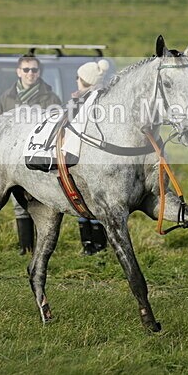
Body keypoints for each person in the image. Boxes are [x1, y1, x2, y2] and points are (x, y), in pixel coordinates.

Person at [0, 55, 61, 254]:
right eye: (26, 70)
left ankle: (43, 248)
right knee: (18, 203)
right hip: (13, 158)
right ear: (19, 72)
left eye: (34, 70)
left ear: (39, 72)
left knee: (41, 202)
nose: (30, 74)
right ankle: (25, 248)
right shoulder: (6, 98)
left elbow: (58, 128)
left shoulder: (51, 98)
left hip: (38, 157)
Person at [71, 59, 110, 255]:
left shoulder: (86, 101)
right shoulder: (101, 98)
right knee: (91, 203)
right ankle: (95, 246)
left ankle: (93, 245)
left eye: (78, 78)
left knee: (86, 201)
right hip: (93, 159)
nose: (76, 80)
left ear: (84, 81)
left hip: (84, 159)